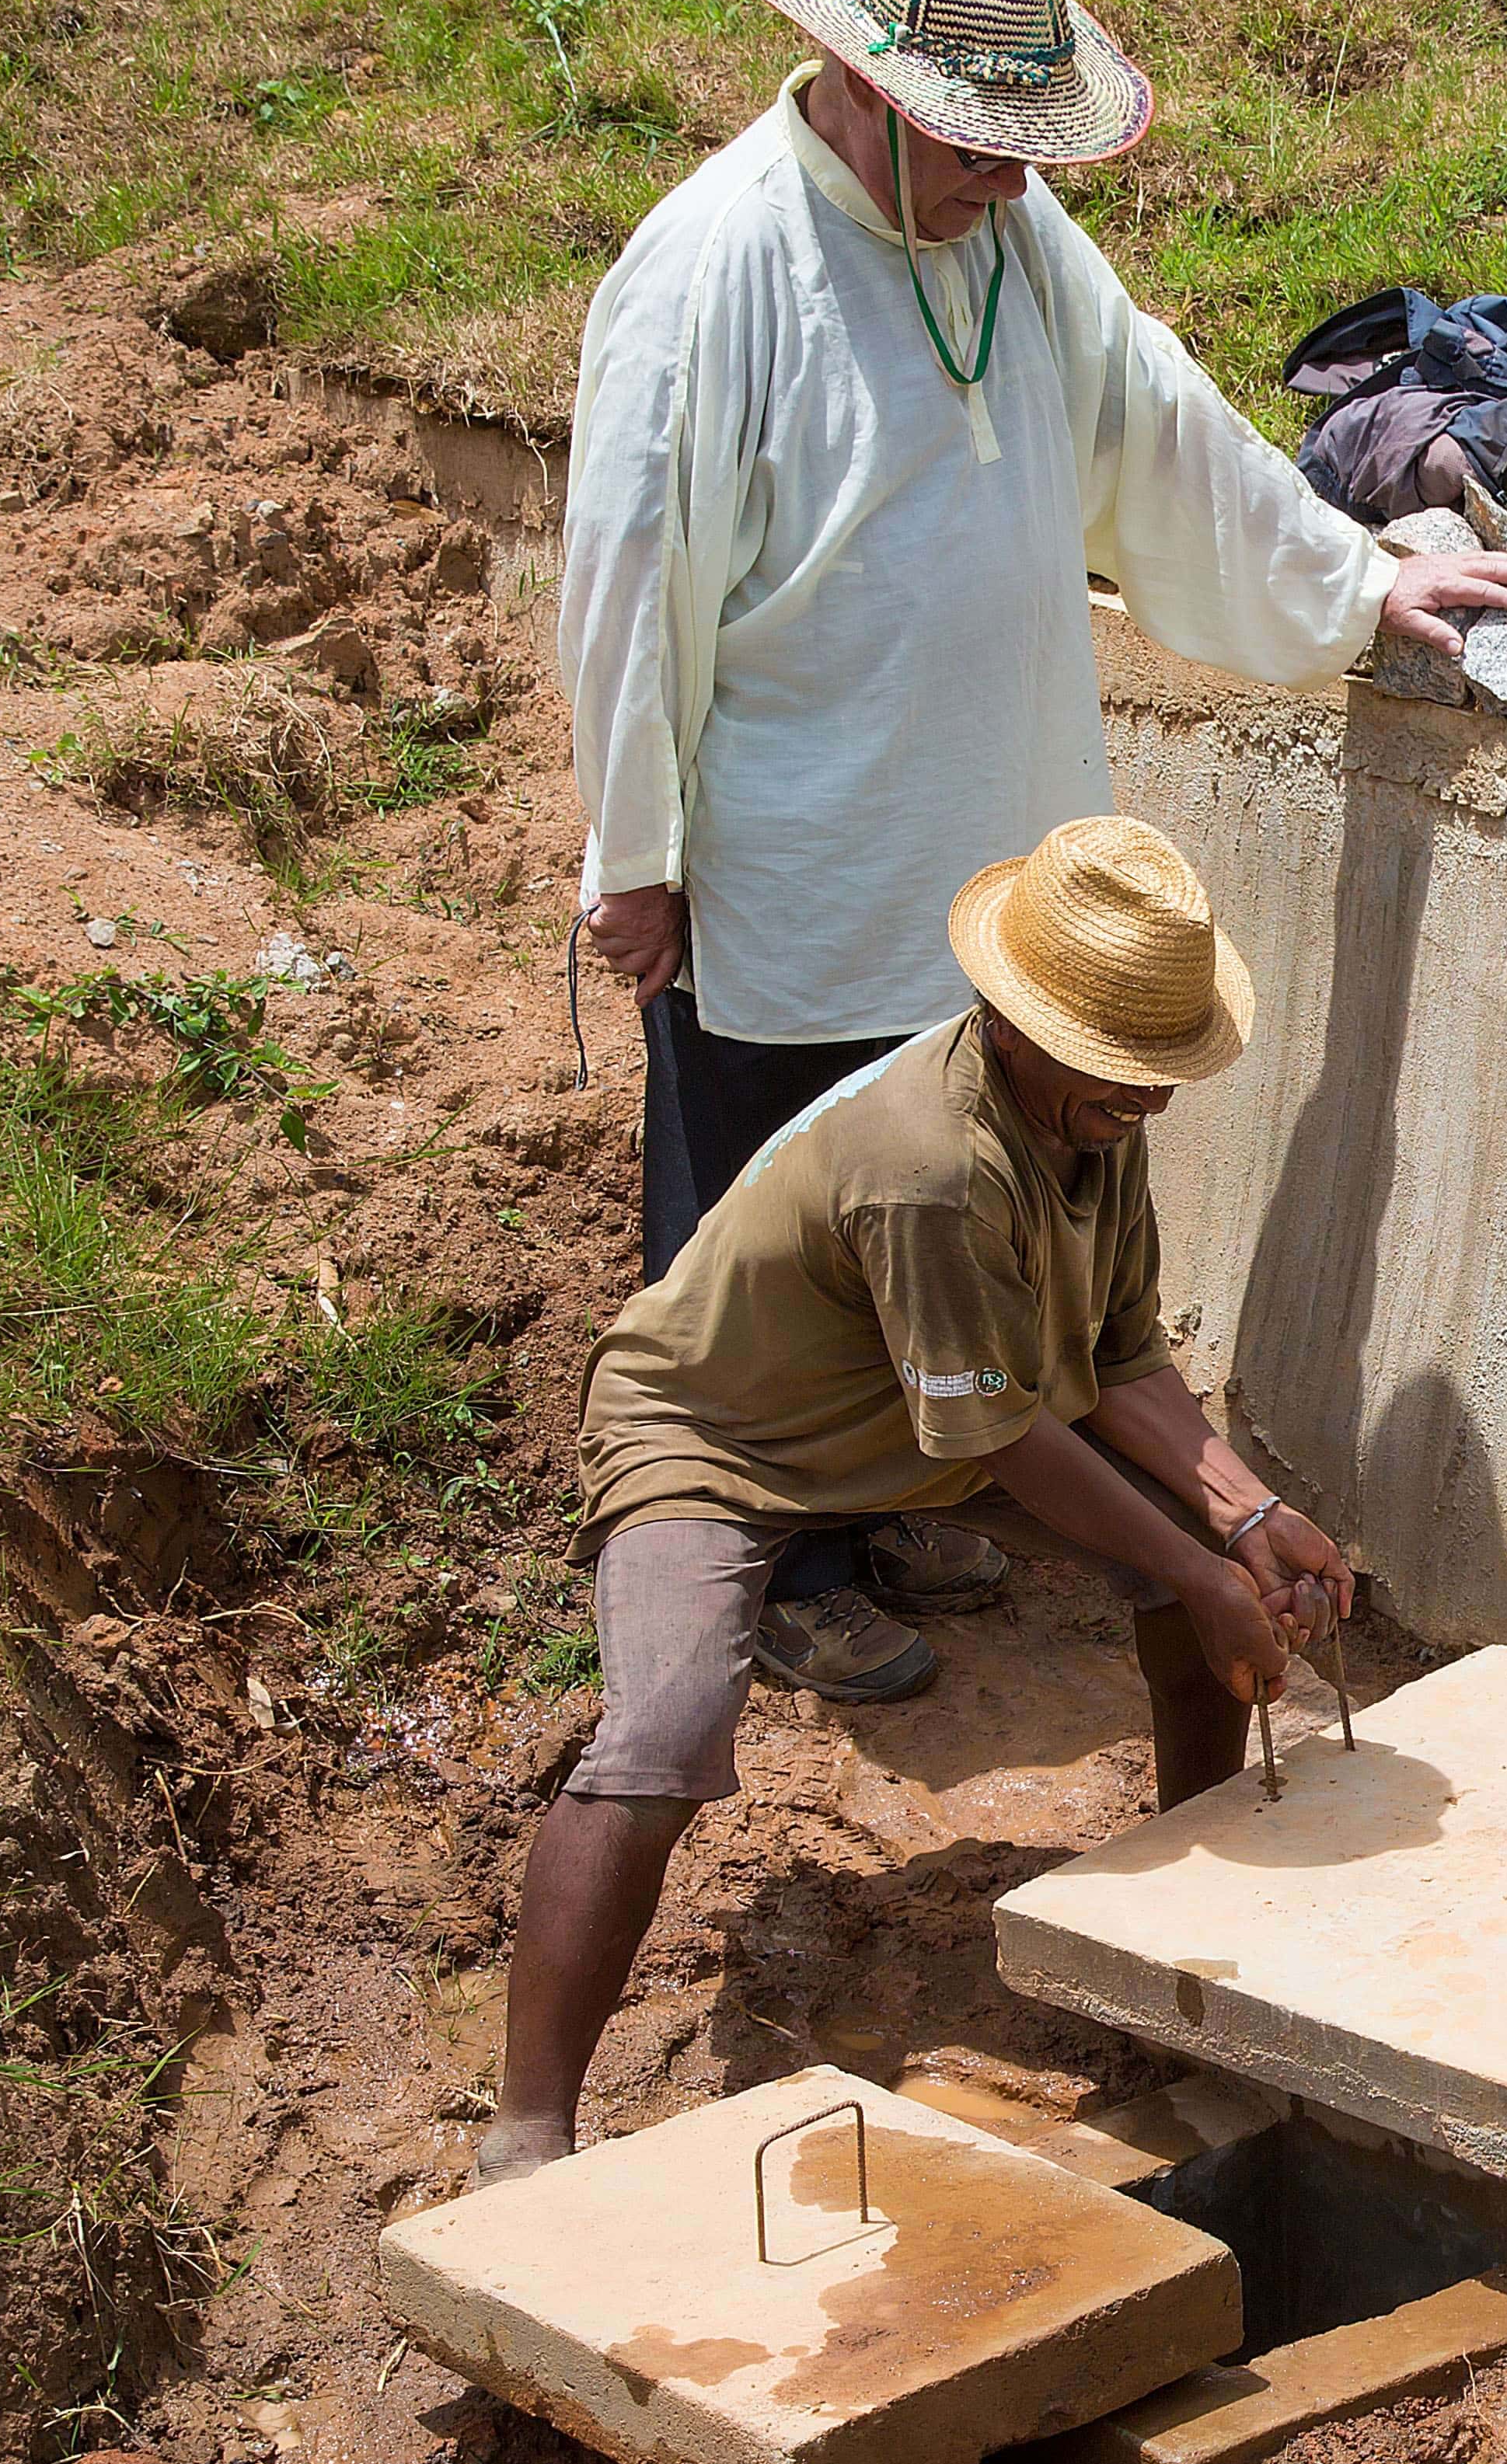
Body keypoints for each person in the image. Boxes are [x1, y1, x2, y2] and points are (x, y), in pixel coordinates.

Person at [558, 0, 1507, 1706]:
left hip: (993, 827)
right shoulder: (713, 270)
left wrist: (1348, 581)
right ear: (866, 90)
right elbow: (630, 582)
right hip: (799, 839)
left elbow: (1154, 421)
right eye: (981, 151)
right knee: (779, 1195)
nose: (1012, 190)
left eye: (1032, 155)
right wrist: (640, 857)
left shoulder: (1015, 238)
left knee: (972, 1193)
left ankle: (912, 1475)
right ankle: (775, 1557)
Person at [485, 815, 1352, 2185]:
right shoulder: (931, 1168)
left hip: (925, 1416)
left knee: (1199, 1560)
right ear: (1015, 1021)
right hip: (720, 1434)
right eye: (1123, 1074)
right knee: (669, 1727)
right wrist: (1198, 1578)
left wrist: (1243, 1517)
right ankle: (528, 2126)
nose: (1149, 1102)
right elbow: (1005, 1432)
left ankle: (1189, 1927)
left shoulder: (1090, 1118)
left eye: (1156, 1075)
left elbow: (1118, 1357)